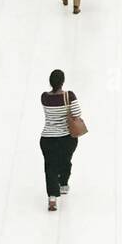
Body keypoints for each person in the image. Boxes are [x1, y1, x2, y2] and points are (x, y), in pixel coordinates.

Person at [40, 69, 83, 210]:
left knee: (50, 167)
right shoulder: (69, 96)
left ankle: (52, 198)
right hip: (67, 139)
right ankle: (63, 184)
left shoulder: (44, 97)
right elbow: (77, 114)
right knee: (65, 161)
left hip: (47, 138)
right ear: (62, 82)